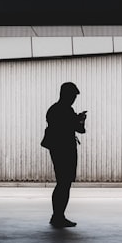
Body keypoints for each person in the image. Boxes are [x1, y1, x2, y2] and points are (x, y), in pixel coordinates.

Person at [41, 82, 87, 227]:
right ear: (66, 95)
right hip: (64, 150)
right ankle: (58, 216)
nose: (74, 99)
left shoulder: (55, 109)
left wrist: (77, 120)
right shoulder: (64, 110)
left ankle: (58, 215)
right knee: (64, 183)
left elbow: (76, 128)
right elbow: (78, 129)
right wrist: (79, 120)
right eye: (73, 96)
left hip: (59, 149)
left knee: (63, 183)